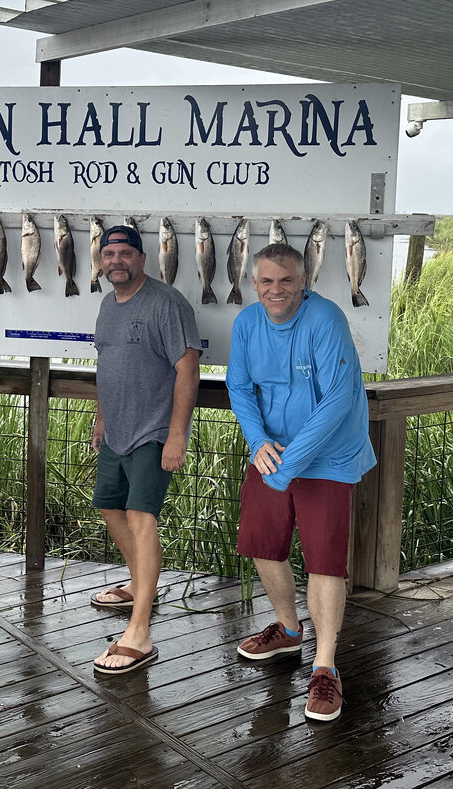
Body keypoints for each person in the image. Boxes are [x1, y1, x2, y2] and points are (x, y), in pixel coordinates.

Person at [227, 242, 376, 722]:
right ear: (254, 283)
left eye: (286, 280)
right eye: (267, 281)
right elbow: (238, 387)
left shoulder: (326, 319)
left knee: (325, 561)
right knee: (262, 544)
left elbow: (337, 400)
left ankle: (325, 667)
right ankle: (289, 632)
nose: (276, 290)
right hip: (273, 452)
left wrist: (290, 463)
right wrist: (257, 442)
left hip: (329, 454)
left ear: (303, 281)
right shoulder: (247, 324)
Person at [89, 224, 201, 674]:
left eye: (125, 253)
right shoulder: (106, 304)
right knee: (109, 507)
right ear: (101, 261)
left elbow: (188, 369)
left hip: (154, 431)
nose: (116, 261)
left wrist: (177, 435)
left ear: (142, 258)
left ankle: (139, 633)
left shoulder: (167, 303)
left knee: (141, 516)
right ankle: (140, 586)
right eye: (109, 254)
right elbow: (106, 363)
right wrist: (101, 417)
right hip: (116, 429)